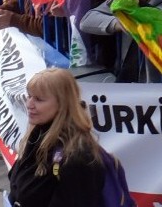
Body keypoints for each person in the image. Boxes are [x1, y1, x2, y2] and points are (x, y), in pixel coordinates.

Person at [7, 68, 125, 207]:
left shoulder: (78, 158)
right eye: (29, 96)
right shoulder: (38, 135)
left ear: (62, 104)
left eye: (38, 99)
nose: (29, 104)